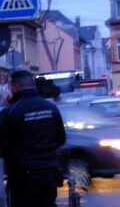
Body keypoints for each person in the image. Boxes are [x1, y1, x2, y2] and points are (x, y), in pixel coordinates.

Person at [0, 70, 66, 207]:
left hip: (22, 176)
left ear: (15, 86)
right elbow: (61, 139)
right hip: (48, 173)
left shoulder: (10, 111)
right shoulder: (51, 108)